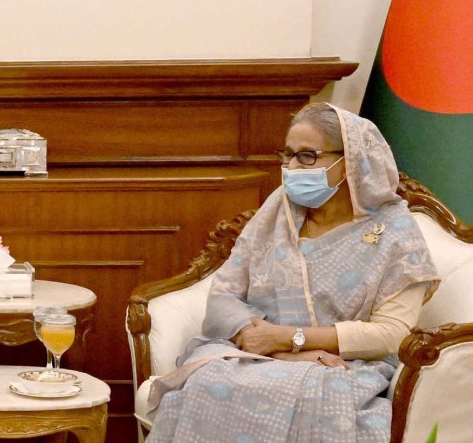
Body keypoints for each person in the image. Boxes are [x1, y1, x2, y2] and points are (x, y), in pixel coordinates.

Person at [146, 103, 440, 443]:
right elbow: (224, 293)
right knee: (207, 381)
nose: (291, 168)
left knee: (320, 399)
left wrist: (291, 338)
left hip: (344, 365)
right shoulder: (279, 210)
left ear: (351, 160)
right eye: (287, 156)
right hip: (257, 355)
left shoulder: (396, 233)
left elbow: (391, 334)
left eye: (307, 156)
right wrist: (278, 349)